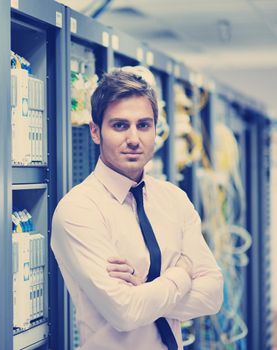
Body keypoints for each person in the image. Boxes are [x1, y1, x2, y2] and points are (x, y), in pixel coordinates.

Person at [51, 67, 223, 350]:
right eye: (119, 125)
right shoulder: (79, 210)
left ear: (156, 129)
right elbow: (125, 313)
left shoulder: (174, 200)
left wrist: (144, 286)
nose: (133, 138)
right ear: (95, 132)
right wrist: (181, 272)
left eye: (144, 125)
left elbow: (212, 296)